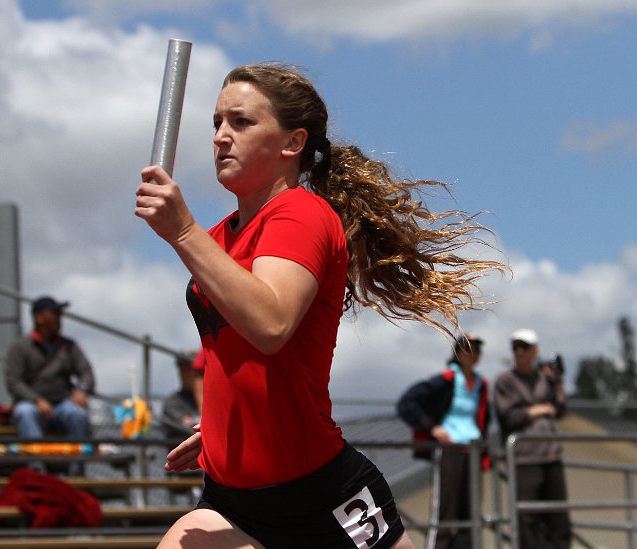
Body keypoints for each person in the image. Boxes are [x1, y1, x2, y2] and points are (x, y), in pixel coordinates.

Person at [135, 62, 503, 549]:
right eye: (217, 124)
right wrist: (227, 423)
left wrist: (182, 232)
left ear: (292, 143)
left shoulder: (302, 214)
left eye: (241, 122)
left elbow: (270, 323)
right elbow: (241, 353)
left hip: (318, 496)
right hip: (233, 500)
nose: (222, 136)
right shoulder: (222, 235)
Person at [397, 333, 489, 549]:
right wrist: (432, 427)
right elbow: (408, 402)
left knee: (471, 515)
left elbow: (484, 417)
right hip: (450, 451)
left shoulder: (481, 384)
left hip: (472, 452)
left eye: (476, 349)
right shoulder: (446, 380)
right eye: (467, 348)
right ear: (458, 352)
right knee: (444, 514)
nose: (472, 354)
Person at [493, 328, 571, 549]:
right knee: (527, 520)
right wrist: (539, 409)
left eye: (524, 347)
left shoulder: (544, 380)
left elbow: (560, 409)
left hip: (551, 456)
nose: (519, 352)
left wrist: (558, 381)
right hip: (524, 460)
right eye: (515, 347)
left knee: (558, 519)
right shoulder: (505, 381)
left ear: (535, 350)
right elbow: (508, 416)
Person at [4, 296, 95, 474]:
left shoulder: (69, 346)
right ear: (39, 317)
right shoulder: (20, 347)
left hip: (63, 404)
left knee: (77, 414)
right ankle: (37, 472)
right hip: (31, 405)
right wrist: (36, 400)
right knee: (25, 412)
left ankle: (77, 475)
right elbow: (13, 382)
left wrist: (81, 391)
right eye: (54, 313)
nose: (59, 318)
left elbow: (87, 373)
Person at [161, 349, 203, 439]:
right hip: (183, 450)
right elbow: (191, 428)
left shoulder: (211, 399)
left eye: (189, 369)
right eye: (182, 369)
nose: (184, 374)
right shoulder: (172, 402)